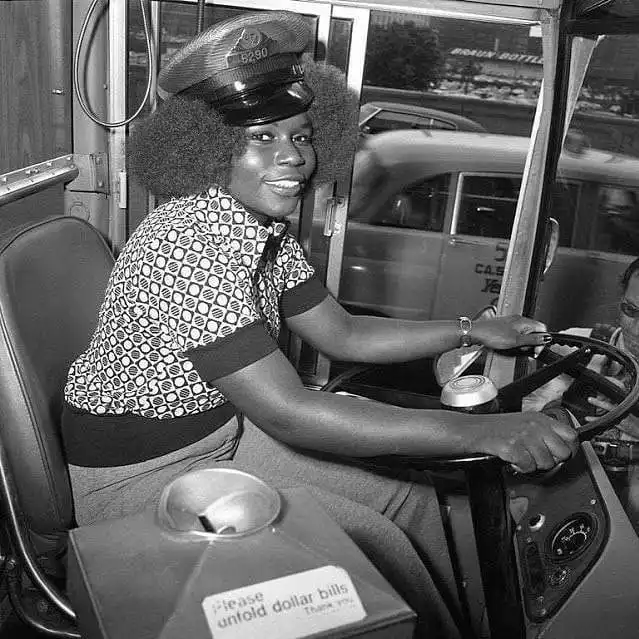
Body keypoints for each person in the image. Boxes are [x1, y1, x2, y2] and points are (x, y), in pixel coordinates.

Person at [61, 11, 578, 638]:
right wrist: (486, 432)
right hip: (147, 475)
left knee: (409, 505)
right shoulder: (192, 242)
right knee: (378, 541)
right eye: (261, 137)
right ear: (206, 148)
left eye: (302, 137)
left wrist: (470, 329)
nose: (294, 158)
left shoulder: (260, 229)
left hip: (222, 440)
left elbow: (343, 334)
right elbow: (291, 413)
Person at [523, 257, 639, 525]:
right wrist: (559, 410)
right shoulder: (576, 346)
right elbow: (518, 414)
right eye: (630, 310)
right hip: (563, 487)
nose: (637, 329)